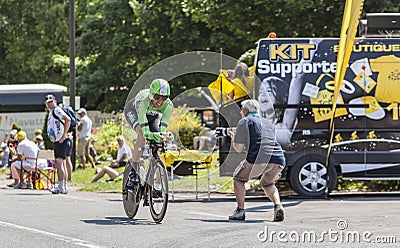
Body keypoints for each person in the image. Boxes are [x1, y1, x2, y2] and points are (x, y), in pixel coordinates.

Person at [228, 99, 286, 221]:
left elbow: (238, 149)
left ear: (246, 110)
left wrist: (234, 138)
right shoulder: (268, 123)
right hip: (278, 158)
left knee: (238, 179)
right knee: (268, 183)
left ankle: (240, 211)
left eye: (241, 109)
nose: (240, 112)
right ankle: (278, 206)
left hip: (259, 159)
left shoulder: (244, 121)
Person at [124, 79, 174, 185]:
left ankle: (154, 176)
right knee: (142, 136)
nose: (160, 102)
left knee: (157, 142)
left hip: (152, 116)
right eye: (157, 97)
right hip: (135, 112)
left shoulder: (168, 105)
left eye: (164, 98)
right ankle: (134, 170)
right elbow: (145, 127)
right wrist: (149, 134)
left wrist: (163, 136)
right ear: (151, 95)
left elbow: (163, 127)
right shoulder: (143, 101)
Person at [45, 94, 70, 194]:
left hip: (61, 141)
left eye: (51, 102)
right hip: (58, 140)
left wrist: (63, 135)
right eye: (47, 103)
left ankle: (61, 186)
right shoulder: (52, 112)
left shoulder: (57, 110)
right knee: (60, 163)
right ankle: (63, 185)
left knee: (59, 163)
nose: (49, 104)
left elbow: (67, 119)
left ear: (54, 102)